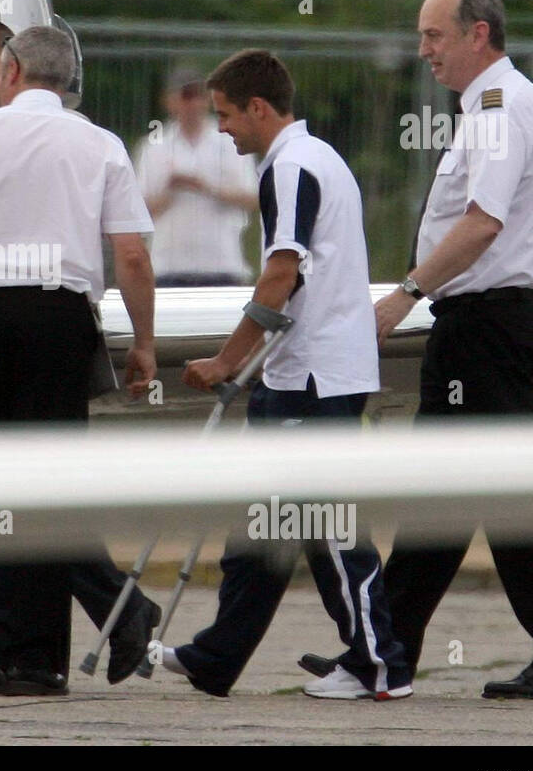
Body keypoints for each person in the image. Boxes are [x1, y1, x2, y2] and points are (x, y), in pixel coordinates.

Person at [332, 0, 533, 700]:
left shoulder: (498, 111)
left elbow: (485, 224)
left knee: (488, 495)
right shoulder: (497, 107)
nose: (424, 51)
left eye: (434, 36)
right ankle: (388, 648)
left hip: (482, 324)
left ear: (478, 34)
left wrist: (405, 295)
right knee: (449, 493)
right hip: (488, 323)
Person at [0, 25, 157, 695]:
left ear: (10, 70)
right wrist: (145, 344)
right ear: (67, 77)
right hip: (56, 321)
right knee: (42, 490)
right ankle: (34, 660)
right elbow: (130, 256)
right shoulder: (101, 146)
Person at [159, 49, 412, 701]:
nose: (221, 130)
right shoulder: (312, 158)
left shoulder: (292, 168)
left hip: (315, 378)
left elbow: (282, 273)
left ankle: (379, 667)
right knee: (260, 528)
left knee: (326, 529)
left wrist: (225, 360)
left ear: (259, 109)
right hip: (302, 373)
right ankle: (216, 659)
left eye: (226, 116)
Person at [135, 67, 259, 285]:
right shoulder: (153, 146)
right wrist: (171, 190)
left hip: (221, 264)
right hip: (168, 267)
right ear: (169, 101)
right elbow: (136, 212)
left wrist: (206, 187)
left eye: (198, 96)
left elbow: (253, 199)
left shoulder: (230, 141)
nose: (193, 104)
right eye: (186, 96)